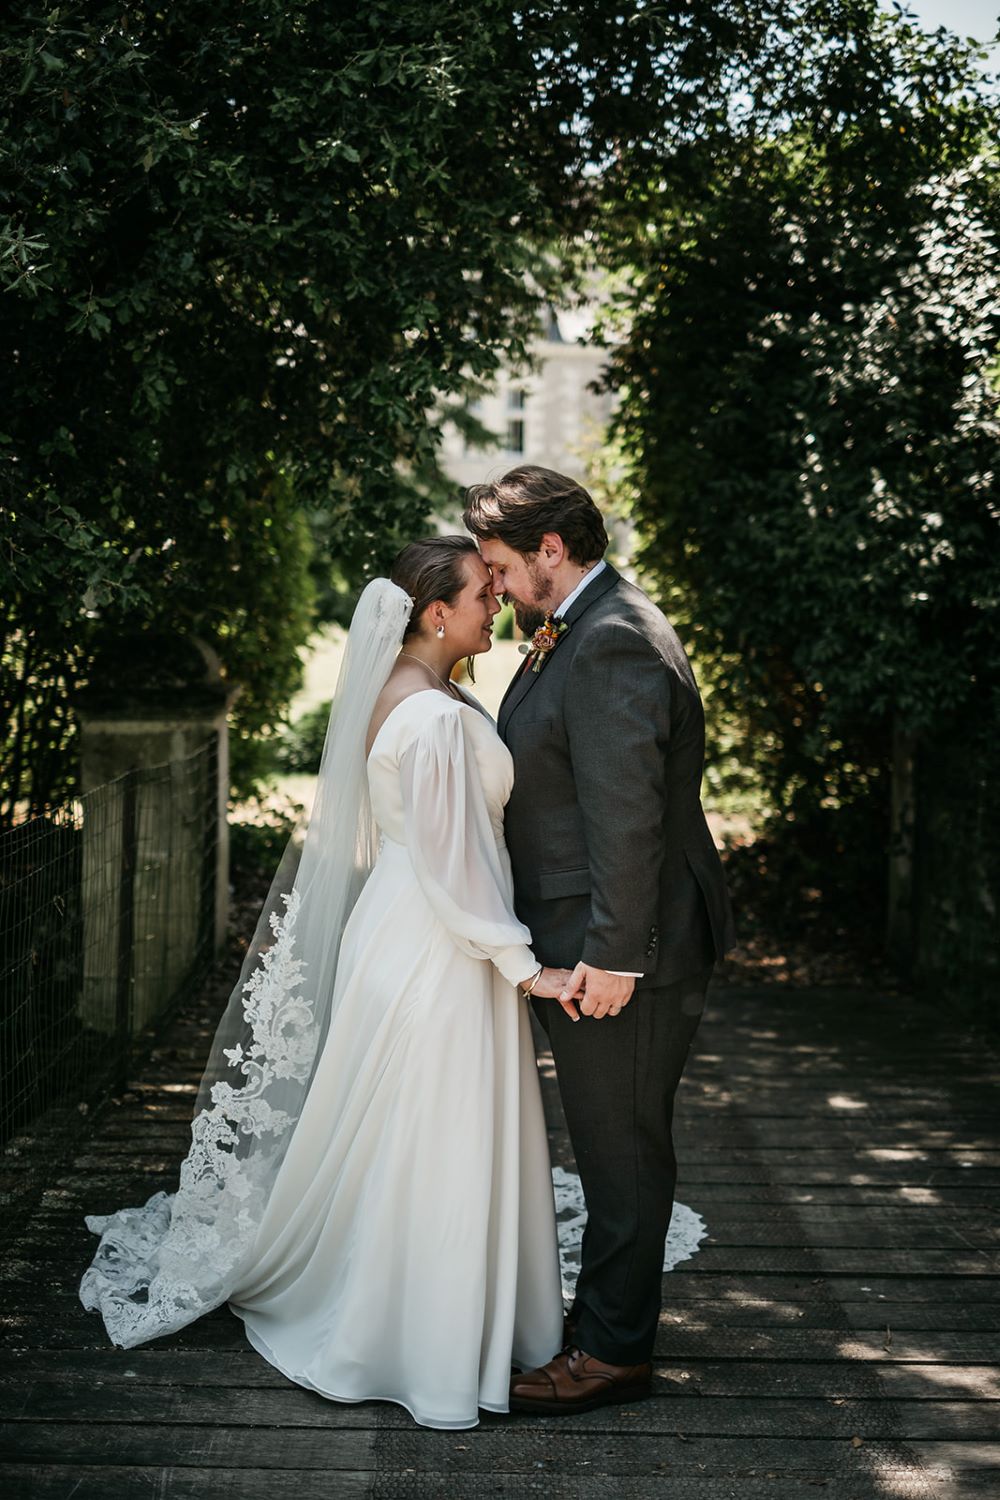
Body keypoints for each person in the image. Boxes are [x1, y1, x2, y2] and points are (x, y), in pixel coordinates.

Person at [80, 535, 572, 1431]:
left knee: (412, 1126)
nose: (495, 604)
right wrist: (526, 966)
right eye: (480, 595)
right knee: (437, 1124)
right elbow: (454, 867)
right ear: (435, 613)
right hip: (441, 946)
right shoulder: (426, 718)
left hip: (413, 927)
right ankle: (421, 1337)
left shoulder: (425, 693)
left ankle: (442, 1305)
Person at [463, 466, 737, 1416]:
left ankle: (614, 1355)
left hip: (617, 944)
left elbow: (626, 820)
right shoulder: (576, 626)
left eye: (500, 564)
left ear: (551, 548)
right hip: (587, 934)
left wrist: (615, 958)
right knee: (609, 1139)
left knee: (621, 1148)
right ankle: (602, 1331)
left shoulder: (614, 639)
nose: (492, 585)